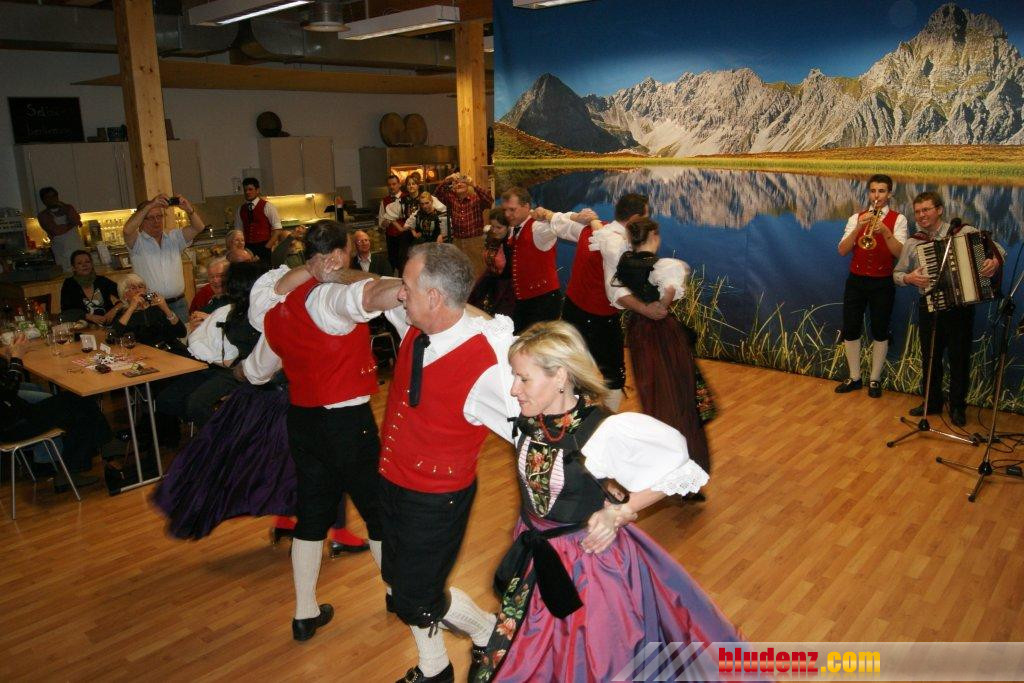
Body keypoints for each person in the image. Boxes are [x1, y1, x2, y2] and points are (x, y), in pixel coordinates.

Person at [472, 321, 741, 681]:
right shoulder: (526, 415)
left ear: (560, 376)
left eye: (523, 378)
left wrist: (622, 512)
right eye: (514, 377)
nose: (513, 388)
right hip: (537, 559)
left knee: (598, 661)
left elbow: (679, 465)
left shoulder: (602, 431)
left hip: (589, 567)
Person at [242, 219, 403, 642]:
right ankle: (397, 593)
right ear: (338, 255)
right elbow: (366, 297)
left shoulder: (277, 308)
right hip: (347, 424)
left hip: (304, 422)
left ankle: (304, 614)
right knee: (377, 511)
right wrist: (407, 287)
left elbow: (256, 372)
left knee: (312, 516)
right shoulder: (329, 298)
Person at [371, 243, 517, 683]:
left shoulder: (489, 366)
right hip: (392, 481)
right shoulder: (415, 320)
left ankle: (485, 631)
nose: (400, 294)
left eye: (407, 286)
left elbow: (534, 429)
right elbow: (369, 289)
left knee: (417, 596)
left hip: (437, 500)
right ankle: (438, 663)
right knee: (399, 582)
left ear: (435, 297)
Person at [893, 192, 1003, 427]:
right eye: (917, 211)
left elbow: (999, 251)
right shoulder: (913, 242)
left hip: (960, 308)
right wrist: (909, 278)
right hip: (929, 307)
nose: (921, 215)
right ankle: (932, 402)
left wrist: (992, 262)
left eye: (926, 209)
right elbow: (897, 274)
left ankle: (957, 407)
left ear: (940, 210)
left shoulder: (963, 232)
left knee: (959, 358)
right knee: (930, 358)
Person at [613, 218, 713, 474]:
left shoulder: (624, 262)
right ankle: (685, 461)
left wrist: (646, 308)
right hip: (663, 334)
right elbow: (666, 298)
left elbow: (621, 295)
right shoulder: (665, 266)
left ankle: (661, 459)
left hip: (638, 331)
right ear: (653, 236)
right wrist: (661, 305)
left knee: (652, 390)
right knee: (678, 392)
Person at [560, 193, 651, 411]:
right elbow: (616, 292)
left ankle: (573, 418)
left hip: (571, 310)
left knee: (573, 368)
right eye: (646, 217)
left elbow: (556, 221)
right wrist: (646, 308)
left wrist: (579, 217)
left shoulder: (590, 230)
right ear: (635, 218)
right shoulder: (619, 243)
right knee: (614, 376)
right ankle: (605, 422)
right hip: (598, 317)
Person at [157, 261, 266, 428]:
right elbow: (194, 338)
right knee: (167, 399)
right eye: (212, 277)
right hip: (209, 363)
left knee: (196, 404)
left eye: (221, 277)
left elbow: (251, 348)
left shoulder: (253, 309)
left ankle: (221, 436)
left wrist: (212, 323)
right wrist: (199, 329)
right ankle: (209, 432)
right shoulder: (212, 303)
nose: (217, 281)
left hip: (236, 369)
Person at [2, 332, 111, 491]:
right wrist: (16, 358)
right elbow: (9, 390)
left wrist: (9, 358)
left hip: (15, 414)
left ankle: (105, 445)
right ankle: (78, 466)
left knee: (77, 400)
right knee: (78, 405)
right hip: (11, 425)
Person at [834, 174, 908, 398]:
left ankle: (875, 379)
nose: (877, 195)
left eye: (882, 191)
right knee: (851, 328)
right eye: (873, 191)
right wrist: (859, 228)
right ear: (868, 193)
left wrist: (885, 231)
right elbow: (842, 250)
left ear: (889, 194)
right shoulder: (856, 217)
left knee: (880, 330)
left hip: (882, 282)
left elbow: (901, 253)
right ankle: (855, 377)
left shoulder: (899, 219)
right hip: (856, 281)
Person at [500, 186, 596, 334]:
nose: (507, 214)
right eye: (505, 210)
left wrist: (576, 217)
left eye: (512, 209)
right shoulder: (515, 226)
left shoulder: (538, 227)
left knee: (539, 344)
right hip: (524, 301)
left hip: (543, 302)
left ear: (526, 206)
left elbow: (560, 224)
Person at [123, 193, 205, 322]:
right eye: (150, 218)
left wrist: (189, 210)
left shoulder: (174, 237)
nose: (156, 221)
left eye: (159, 216)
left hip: (178, 304)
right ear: (141, 221)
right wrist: (151, 204)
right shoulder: (137, 242)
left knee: (183, 334)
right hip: (151, 305)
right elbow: (127, 230)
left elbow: (199, 227)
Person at [383, 175, 445, 275]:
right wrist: (401, 228)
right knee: (405, 258)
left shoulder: (425, 197)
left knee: (427, 260)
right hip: (409, 235)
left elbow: (442, 212)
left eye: (414, 184)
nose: (411, 186)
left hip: (426, 233)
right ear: (406, 186)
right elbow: (390, 214)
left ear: (418, 185)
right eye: (409, 184)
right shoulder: (403, 200)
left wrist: (440, 233)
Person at [435, 172, 493, 277]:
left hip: (475, 242)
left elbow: (489, 200)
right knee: (460, 273)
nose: (459, 184)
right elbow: (437, 193)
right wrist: (447, 180)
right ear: (453, 187)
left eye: (462, 182)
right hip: (457, 242)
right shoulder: (451, 199)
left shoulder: (476, 198)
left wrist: (473, 184)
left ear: (467, 186)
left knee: (478, 272)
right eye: (456, 182)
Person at [111, 274, 187, 353]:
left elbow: (181, 333)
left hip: (172, 349)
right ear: (125, 295)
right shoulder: (123, 314)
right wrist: (132, 308)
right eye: (133, 288)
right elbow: (113, 337)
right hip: (146, 354)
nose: (138, 291)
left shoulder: (157, 307)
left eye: (140, 287)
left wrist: (166, 308)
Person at [467, 209, 514, 318]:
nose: (495, 230)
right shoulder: (491, 238)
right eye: (493, 226)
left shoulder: (511, 244)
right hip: (490, 279)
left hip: (506, 286)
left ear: (508, 227)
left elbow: (509, 270)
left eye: (499, 227)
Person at [60, 250, 123, 326]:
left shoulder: (102, 280)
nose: (84, 265)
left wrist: (115, 310)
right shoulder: (69, 284)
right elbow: (66, 312)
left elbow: (125, 294)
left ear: (92, 264)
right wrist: (88, 317)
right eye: (79, 263)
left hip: (109, 325)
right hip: (83, 327)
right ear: (73, 268)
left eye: (87, 262)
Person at [36, 186, 85, 271]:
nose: (52, 199)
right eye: (48, 197)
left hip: (78, 250)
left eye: (54, 196)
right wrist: (72, 224)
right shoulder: (43, 215)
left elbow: (76, 220)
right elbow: (56, 230)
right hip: (62, 254)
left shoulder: (68, 208)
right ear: (43, 200)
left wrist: (71, 221)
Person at [235, 177, 283, 262]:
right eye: (245, 190)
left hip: (264, 246)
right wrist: (241, 249)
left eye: (250, 189)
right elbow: (238, 232)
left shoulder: (268, 206)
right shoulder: (240, 209)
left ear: (257, 190)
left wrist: (267, 247)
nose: (247, 192)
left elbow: (278, 230)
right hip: (247, 248)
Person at [378, 174, 405, 274]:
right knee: (392, 263)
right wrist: (385, 223)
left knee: (403, 263)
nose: (391, 187)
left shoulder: (406, 198)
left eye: (394, 184)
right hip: (391, 238)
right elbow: (381, 222)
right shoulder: (384, 201)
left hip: (404, 236)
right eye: (389, 185)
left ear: (399, 184)